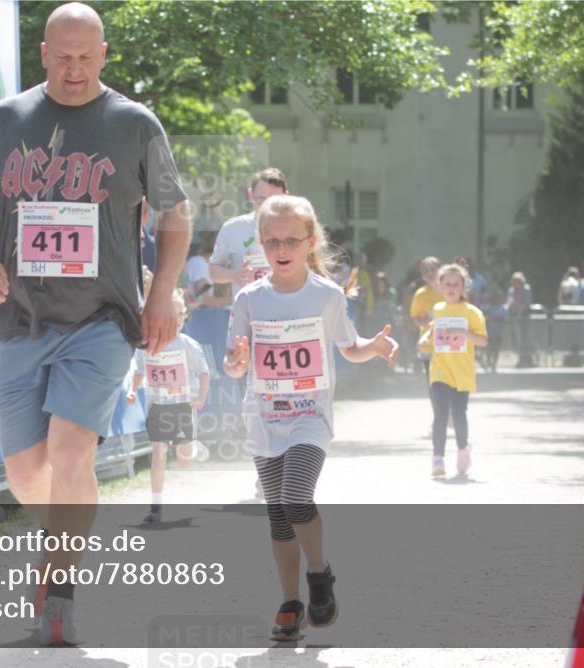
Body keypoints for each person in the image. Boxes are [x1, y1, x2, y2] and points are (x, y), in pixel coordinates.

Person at [0, 2, 191, 645]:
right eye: (63, 57)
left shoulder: (135, 124)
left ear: (104, 54)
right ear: (43, 54)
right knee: (26, 473)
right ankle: (60, 542)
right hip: (17, 316)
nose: (75, 68)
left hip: (102, 317)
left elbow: (175, 215)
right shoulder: (7, 119)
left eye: (87, 57)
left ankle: (60, 590)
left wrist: (162, 292)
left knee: (69, 452)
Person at [224, 195, 397, 641]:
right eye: (272, 242)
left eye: (291, 241)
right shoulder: (248, 299)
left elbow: (349, 347)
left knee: (296, 496)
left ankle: (319, 574)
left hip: (309, 418)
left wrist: (374, 347)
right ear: (261, 244)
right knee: (279, 517)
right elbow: (234, 363)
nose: (282, 250)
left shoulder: (326, 296)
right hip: (265, 417)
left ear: (311, 242)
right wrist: (237, 362)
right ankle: (290, 603)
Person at [126, 290, 210, 523]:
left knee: (185, 461)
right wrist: (133, 390)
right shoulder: (147, 345)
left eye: (182, 313)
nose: (179, 319)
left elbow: (204, 373)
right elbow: (140, 371)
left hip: (184, 405)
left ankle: (194, 448)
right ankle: (156, 507)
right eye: (174, 314)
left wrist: (200, 397)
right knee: (159, 454)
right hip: (159, 406)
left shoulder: (188, 344)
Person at [418, 263, 488, 477]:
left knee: (458, 414)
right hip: (440, 370)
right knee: (439, 415)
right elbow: (432, 332)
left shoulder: (471, 312)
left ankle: (463, 449)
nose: (451, 288)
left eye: (456, 284)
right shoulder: (438, 310)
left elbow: (483, 340)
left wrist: (462, 333)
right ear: (440, 286)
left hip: (462, 372)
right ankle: (437, 458)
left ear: (464, 286)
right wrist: (424, 339)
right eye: (447, 284)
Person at [209, 167, 288, 298]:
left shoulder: (298, 228)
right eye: (261, 199)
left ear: (286, 197)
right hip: (246, 308)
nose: (267, 206)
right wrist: (234, 275)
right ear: (251, 195)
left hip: (287, 308)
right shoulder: (233, 228)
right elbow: (213, 270)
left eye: (275, 200)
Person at [507, 271, 535, 367]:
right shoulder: (511, 290)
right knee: (517, 339)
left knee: (527, 338)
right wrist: (514, 305)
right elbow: (509, 303)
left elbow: (526, 304)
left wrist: (516, 304)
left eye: (516, 282)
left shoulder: (527, 289)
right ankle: (521, 359)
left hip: (525, 318)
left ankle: (529, 359)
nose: (514, 285)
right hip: (515, 318)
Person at [481, 289, 508, 372]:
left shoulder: (503, 308)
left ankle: (494, 364)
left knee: (496, 350)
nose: (499, 299)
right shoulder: (488, 308)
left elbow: (505, 319)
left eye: (500, 297)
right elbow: (484, 317)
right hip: (489, 333)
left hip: (499, 333)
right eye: (497, 297)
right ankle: (488, 363)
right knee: (489, 349)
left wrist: (495, 319)